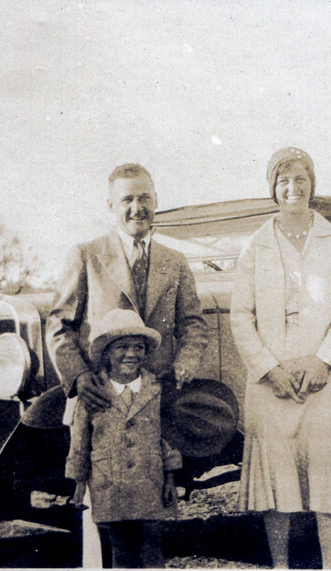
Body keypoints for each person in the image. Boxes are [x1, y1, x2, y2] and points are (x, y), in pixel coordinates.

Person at [46, 163, 208, 563]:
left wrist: (183, 367)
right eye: (127, 199)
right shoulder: (86, 255)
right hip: (101, 408)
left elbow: (194, 325)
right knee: (102, 525)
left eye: (144, 198)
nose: (137, 207)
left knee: (153, 519)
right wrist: (80, 378)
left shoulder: (175, 261)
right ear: (110, 206)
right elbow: (59, 326)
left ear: (156, 202)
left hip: (156, 406)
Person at [230, 147, 331, 569]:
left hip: (326, 381)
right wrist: (268, 369)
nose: (293, 188)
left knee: (329, 475)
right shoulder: (255, 244)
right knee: (278, 481)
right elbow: (241, 313)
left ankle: (330, 565)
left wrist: (323, 360)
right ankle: (281, 566)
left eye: (301, 178)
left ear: (312, 184)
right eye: (284, 180)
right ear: (273, 188)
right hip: (273, 383)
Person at [66, 308, 181, 568]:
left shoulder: (156, 388)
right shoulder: (94, 392)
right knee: (120, 549)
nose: (131, 354)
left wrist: (170, 478)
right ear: (106, 352)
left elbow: (167, 438)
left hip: (149, 484)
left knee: (152, 548)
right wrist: (78, 482)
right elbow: (81, 441)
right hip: (110, 486)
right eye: (122, 347)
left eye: (138, 347)